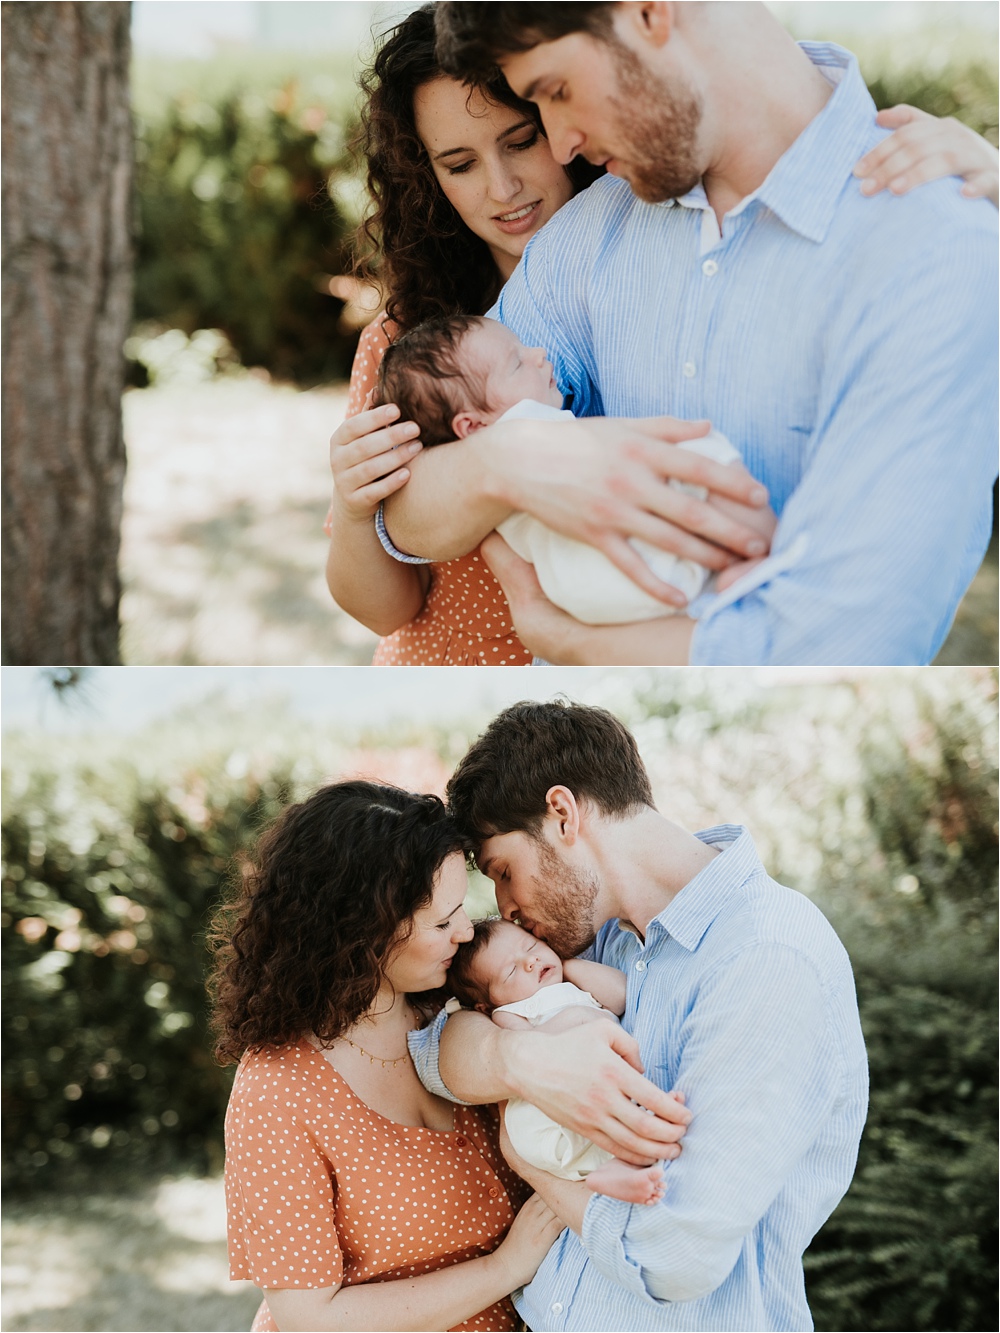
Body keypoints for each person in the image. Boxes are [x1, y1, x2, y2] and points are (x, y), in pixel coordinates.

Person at [325, 2, 998, 666]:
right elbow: (405, 504)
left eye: (555, 93)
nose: (561, 145)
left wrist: (574, 645)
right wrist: (510, 458)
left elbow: (852, 641)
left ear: (650, 14)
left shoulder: (935, 247)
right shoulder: (591, 231)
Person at [406, 699, 869, 1331]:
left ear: (563, 813)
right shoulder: (600, 941)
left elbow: (672, 1257)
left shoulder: (766, 958)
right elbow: (431, 1049)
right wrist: (520, 1061)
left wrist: (529, 1165)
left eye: (504, 872)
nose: (506, 908)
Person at [211, 780, 573, 1333]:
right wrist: (505, 1268)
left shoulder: (459, 1012)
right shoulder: (277, 1089)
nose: (466, 931)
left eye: (463, 910)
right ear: (364, 931)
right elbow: (311, 1319)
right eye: (442, 920)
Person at [374, 312, 773, 625]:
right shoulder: (525, 425)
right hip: (629, 562)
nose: (539, 354)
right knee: (694, 448)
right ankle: (754, 547)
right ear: (474, 426)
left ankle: (718, 586)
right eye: (517, 364)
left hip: (582, 597)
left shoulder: (466, 478)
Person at [449, 916, 668, 1206]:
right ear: (487, 1005)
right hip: (545, 1115)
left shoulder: (574, 982)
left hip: (595, 1090)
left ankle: (612, 1175)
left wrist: (570, 965)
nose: (530, 961)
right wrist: (575, 1018)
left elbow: (621, 995)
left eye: (531, 946)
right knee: (596, 1131)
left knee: (621, 1126)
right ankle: (608, 1172)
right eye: (511, 971)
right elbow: (535, 1050)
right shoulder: (510, 1013)